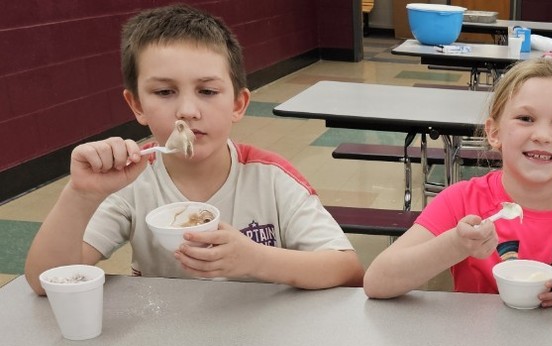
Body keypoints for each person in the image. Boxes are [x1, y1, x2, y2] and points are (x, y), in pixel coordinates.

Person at [24, 4, 363, 295]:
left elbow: (347, 271)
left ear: (238, 103)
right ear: (137, 105)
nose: (187, 111)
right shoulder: (129, 181)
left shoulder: (270, 179)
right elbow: (45, 281)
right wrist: (81, 195)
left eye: (207, 91)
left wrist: (256, 259)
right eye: (165, 92)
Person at [364, 58, 552, 303]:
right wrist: (455, 245)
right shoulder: (461, 200)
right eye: (526, 119)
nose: (541, 135)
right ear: (495, 133)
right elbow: (377, 281)